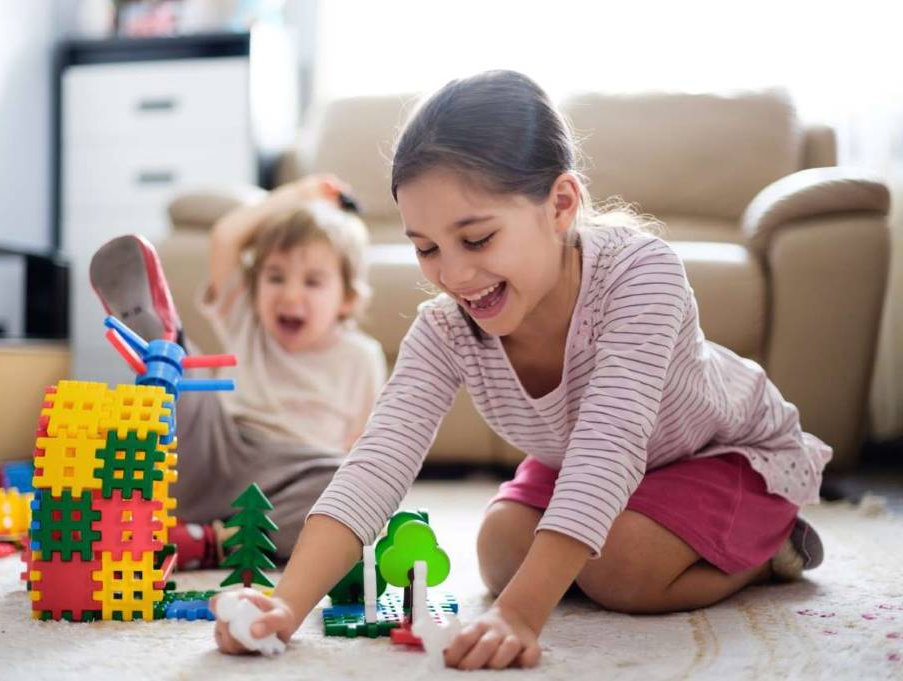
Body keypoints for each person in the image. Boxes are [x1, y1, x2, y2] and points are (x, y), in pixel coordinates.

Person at [212, 70, 831, 670]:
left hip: (714, 451)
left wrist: (520, 616)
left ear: (560, 204)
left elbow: (609, 444)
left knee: (624, 570)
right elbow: (376, 462)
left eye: (476, 240)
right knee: (501, 550)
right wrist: (286, 604)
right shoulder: (445, 328)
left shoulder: (642, 274)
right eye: (426, 248)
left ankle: (772, 545)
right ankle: (644, 540)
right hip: (580, 458)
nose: (452, 275)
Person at [88, 175, 387, 566]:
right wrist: (300, 193)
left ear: (347, 298)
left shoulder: (362, 356)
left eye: (312, 282)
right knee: (185, 384)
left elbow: (367, 445)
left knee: (360, 499)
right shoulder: (247, 321)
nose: (290, 295)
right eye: (275, 277)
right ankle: (161, 344)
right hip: (221, 447)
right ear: (254, 284)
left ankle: (210, 541)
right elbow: (226, 237)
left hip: (296, 476)